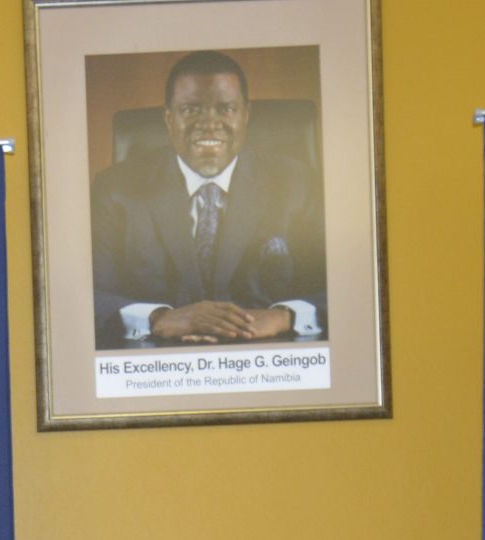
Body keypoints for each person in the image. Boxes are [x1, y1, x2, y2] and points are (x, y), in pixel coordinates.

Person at [89, 50, 328, 350]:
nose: (209, 123)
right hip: (154, 371)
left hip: (274, 361)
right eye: (191, 110)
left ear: (245, 115)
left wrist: (283, 317)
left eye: (225, 108)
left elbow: (345, 287)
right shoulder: (114, 189)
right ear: (168, 118)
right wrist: (159, 319)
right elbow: (89, 295)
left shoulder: (299, 184)